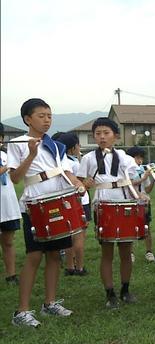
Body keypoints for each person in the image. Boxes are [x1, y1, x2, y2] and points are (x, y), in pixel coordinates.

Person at [8, 98, 82, 327]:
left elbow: (66, 173)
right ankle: (22, 311)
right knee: (34, 255)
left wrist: (78, 184)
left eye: (49, 116)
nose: (47, 120)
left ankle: (49, 303)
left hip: (58, 202)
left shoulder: (56, 146)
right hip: (34, 205)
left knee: (53, 255)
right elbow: (15, 178)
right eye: (41, 116)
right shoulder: (17, 143)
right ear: (27, 119)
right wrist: (30, 154)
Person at [78, 118, 140, 309]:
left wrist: (141, 191)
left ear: (116, 136)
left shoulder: (125, 158)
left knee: (125, 250)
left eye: (106, 133)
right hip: (103, 205)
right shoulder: (88, 158)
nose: (102, 137)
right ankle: (110, 293)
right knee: (107, 252)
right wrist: (83, 185)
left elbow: (135, 179)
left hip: (124, 203)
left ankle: (125, 289)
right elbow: (79, 183)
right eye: (98, 134)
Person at [53, 132, 89, 275]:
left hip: (65, 202)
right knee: (80, 236)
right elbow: (80, 183)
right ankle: (79, 267)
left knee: (68, 236)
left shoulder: (59, 163)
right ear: (72, 148)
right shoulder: (73, 163)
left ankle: (69, 266)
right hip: (80, 202)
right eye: (78, 145)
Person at [126, 146, 155, 262]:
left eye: (141, 158)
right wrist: (143, 178)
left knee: (146, 226)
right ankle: (130, 253)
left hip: (143, 202)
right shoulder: (127, 170)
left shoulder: (143, 170)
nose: (140, 161)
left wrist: (153, 179)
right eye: (137, 158)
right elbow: (129, 184)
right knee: (130, 228)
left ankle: (149, 251)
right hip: (130, 201)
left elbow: (147, 190)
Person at [0, 122, 21, 285]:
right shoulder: (9, 161)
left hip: (8, 205)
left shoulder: (6, 155)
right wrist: (9, 166)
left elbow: (18, 176)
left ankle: (11, 275)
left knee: (8, 241)